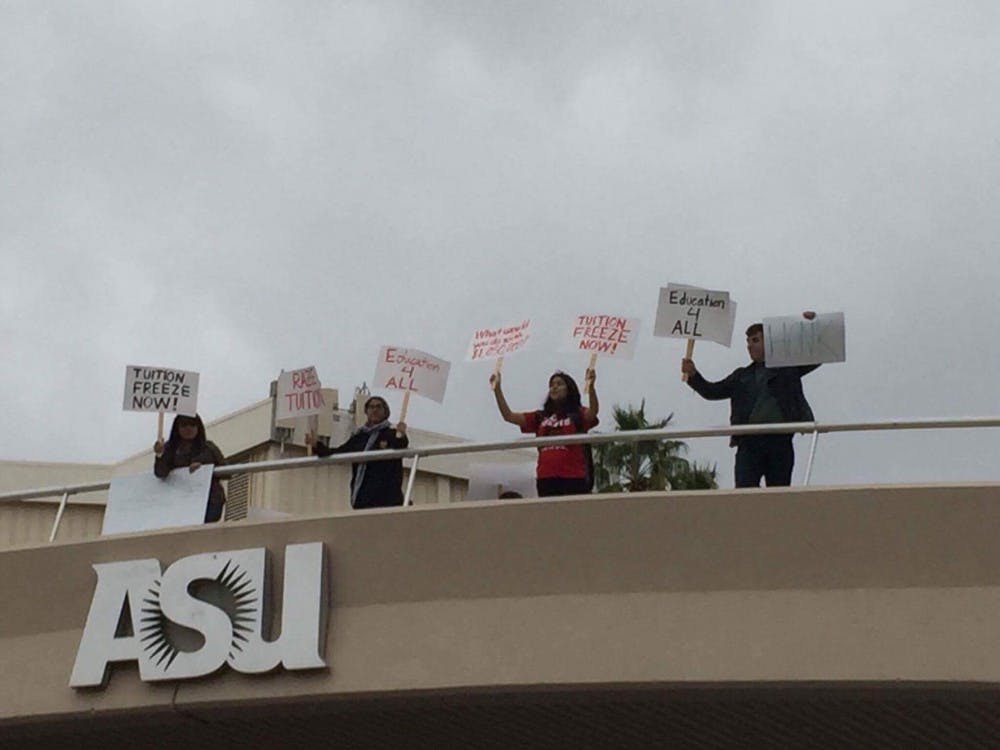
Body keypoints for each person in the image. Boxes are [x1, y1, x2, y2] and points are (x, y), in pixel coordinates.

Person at [681, 312, 819, 488]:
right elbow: (712, 391)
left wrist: (809, 325)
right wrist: (694, 375)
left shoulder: (788, 369)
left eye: (755, 340)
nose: (750, 346)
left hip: (780, 440)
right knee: (744, 494)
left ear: (768, 342)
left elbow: (816, 355)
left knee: (779, 494)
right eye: (748, 342)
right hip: (749, 442)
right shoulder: (741, 376)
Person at [490, 369, 599, 497]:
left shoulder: (578, 413)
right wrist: (497, 390)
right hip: (546, 477)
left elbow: (593, 412)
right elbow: (509, 416)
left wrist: (591, 387)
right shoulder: (540, 416)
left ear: (569, 389)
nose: (554, 387)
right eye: (552, 385)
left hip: (573, 476)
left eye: (559, 384)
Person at [305, 395, 409, 509]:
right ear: (366, 412)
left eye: (379, 407)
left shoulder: (391, 434)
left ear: (385, 412)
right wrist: (316, 445)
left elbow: (401, 445)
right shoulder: (359, 437)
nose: (374, 410)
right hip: (363, 498)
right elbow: (338, 453)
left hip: (387, 499)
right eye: (371, 407)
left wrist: (401, 434)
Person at [153, 413, 227, 522]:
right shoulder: (170, 448)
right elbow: (160, 473)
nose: (188, 428)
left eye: (193, 425)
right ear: (177, 428)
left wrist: (203, 467)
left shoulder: (209, 447)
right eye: (184, 425)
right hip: (179, 504)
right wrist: (159, 454)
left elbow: (226, 471)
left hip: (209, 501)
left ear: (198, 427)